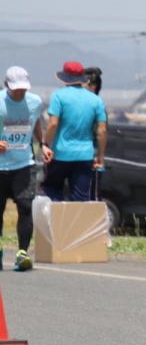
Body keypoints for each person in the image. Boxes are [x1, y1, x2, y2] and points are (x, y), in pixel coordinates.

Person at [43, 61, 106, 201]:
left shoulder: (58, 96)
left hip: (60, 154)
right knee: (81, 198)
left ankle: (56, 222)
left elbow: (53, 124)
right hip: (85, 156)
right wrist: (100, 156)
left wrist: (45, 144)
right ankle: (78, 223)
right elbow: (102, 130)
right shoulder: (96, 100)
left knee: (52, 191)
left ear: (65, 77)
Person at [0, 67, 42, 271]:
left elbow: (36, 122)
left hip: (24, 164)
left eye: (23, 89)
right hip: (0, 167)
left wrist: (43, 143)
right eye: (16, 89)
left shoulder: (35, 102)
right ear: (7, 85)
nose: (20, 93)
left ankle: (22, 253)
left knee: (25, 207)